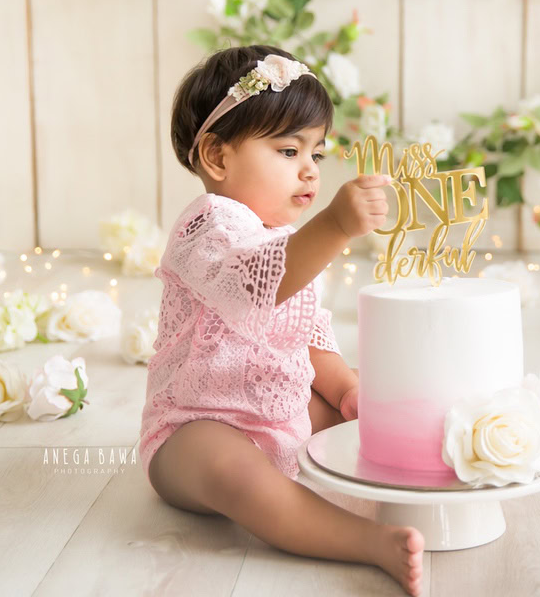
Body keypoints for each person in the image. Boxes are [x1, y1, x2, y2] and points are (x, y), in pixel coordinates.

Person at [138, 44, 423, 595]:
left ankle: (427, 472)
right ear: (217, 157)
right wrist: (335, 226)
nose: (309, 170)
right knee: (232, 469)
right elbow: (256, 287)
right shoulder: (207, 227)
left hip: (275, 416)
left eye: (317, 154)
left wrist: (345, 391)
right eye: (289, 151)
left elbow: (309, 336)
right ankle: (365, 541)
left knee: (370, 418)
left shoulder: (287, 242)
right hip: (191, 431)